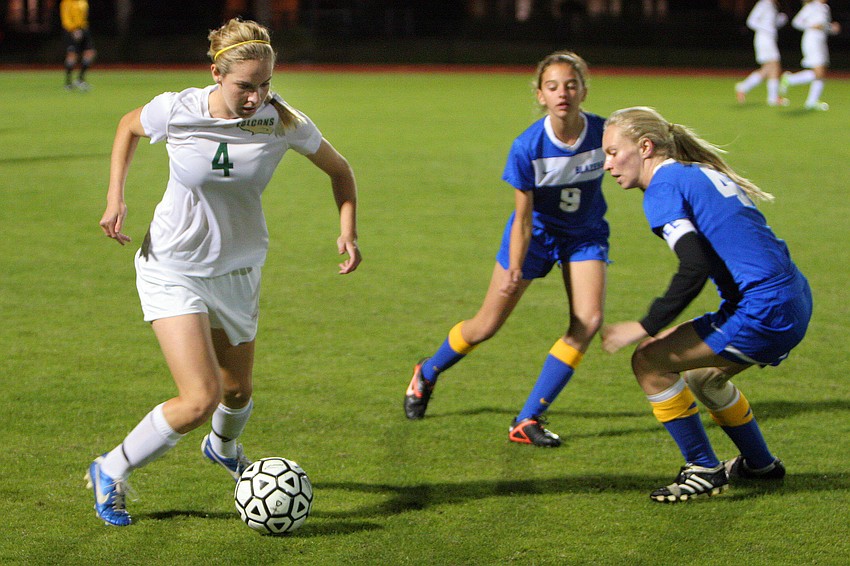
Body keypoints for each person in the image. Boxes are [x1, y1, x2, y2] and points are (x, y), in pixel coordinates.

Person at [87, 18, 361, 526]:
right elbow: (128, 126)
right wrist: (115, 196)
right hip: (172, 266)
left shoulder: (283, 121)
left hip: (237, 271)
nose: (257, 97)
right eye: (245, 86)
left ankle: (223, 447)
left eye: (265, 85)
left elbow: (341, 171)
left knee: (237, 393)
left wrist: (348, 229)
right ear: (216, 73)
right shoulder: (178, 109)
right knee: (200, 398)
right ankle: (110, 468)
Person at [600, 106, 812, 502]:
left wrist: (646, 325)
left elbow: (693, 266)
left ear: (645, 147)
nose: (607, 164)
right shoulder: (695, 173)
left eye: (613, 152)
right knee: (704, 376)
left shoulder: (663, 188)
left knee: (648, 361)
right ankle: (760, 465)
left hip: (763, 308)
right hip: (794, 297)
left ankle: (703, 468)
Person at [404, 51, 609, 447]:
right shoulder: (527, 146)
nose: (562, 93)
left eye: (570, 84)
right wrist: (516, 265)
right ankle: (427, 372)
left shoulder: (605, 132)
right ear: (540, 95)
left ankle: (527, 418)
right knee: (487, 325)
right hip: (535, 238)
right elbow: (523, 216)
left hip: (584, 237)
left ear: (584, 89)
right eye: (552, 87)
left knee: (589, 321)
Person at [780, 0, 841, 111]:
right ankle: (790, 79)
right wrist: (811, 25)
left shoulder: (825, 8)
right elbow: (796, 22)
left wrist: (832, 28)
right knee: (819, 71)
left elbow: (822, 27)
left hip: (821, 41)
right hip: (811, 41)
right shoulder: (812, 6)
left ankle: (811, 102)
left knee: (821, 71)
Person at [735, 0, 789, 106]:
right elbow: (751, 21)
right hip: (764, 39)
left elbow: (770, 24)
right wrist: (767, 29)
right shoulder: (763, 3)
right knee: (775, 66)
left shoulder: (772, 5)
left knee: (767, 69)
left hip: (769, 38)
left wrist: (780, 20)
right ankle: (772, 98)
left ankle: (743, 87)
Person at [60, 0, 96, 91]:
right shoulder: (66, 2)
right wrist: (73, 30)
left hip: (83, 29)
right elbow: (66, 19)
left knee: (90, 52)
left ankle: (80, 79)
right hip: (71, 30)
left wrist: (83, 30)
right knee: (72, 55)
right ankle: (68, 83)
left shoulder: (83, 2)